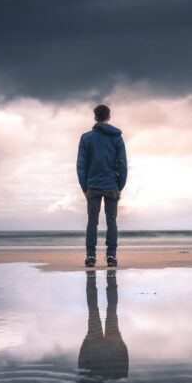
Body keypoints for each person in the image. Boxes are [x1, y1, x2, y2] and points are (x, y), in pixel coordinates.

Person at [77, 104, 128, 267]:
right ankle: (111, 256)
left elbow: (81, 165)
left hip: (92, 185)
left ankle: (90, 256)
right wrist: (120, 184)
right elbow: (122, 164)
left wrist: (84, 186)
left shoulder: (86, 138)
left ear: (95, 118)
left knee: (92, 222)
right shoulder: (117, 138)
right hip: (111, 184)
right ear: (109, 117)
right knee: (111, 221)